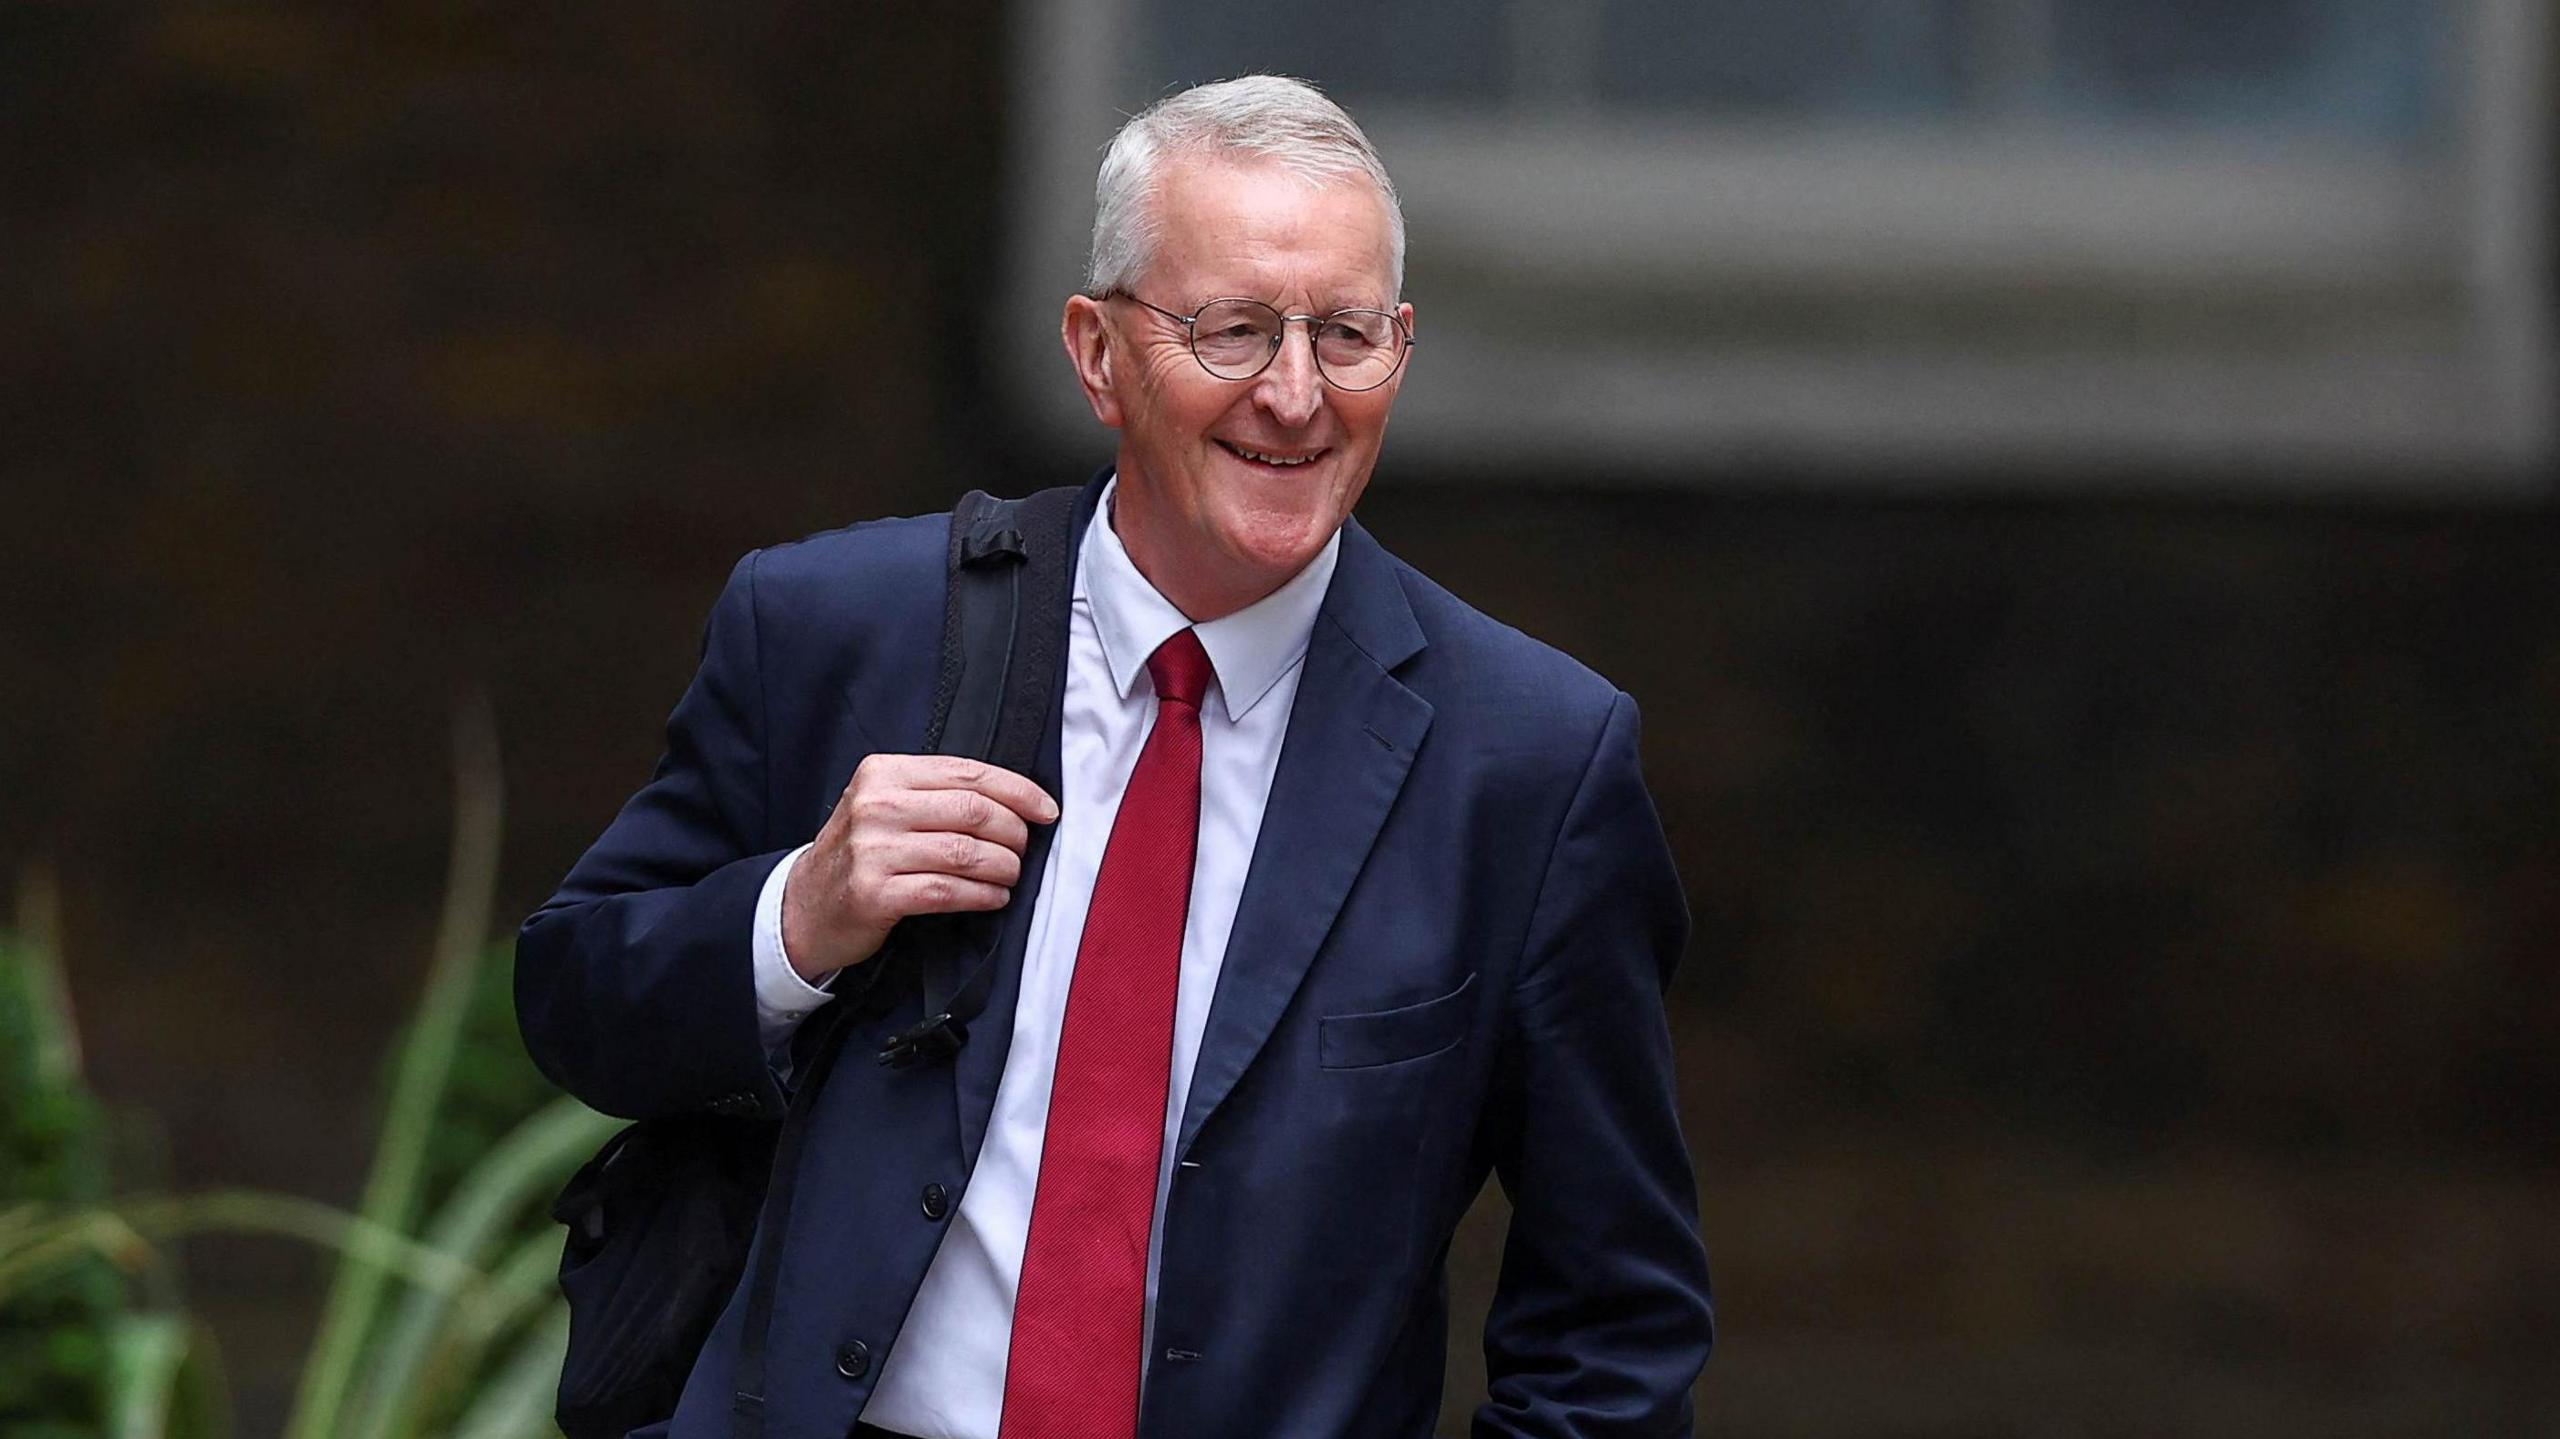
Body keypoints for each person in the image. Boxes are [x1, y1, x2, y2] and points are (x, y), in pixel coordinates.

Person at [516, 74, 1711, 1439]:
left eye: (1347, 335)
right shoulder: (836, 630)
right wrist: (799, 917)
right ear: (1095, 352)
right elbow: (572, 1003)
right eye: (1236, 331)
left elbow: (1613, 1331)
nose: (1297, 394)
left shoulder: (1530, 763)